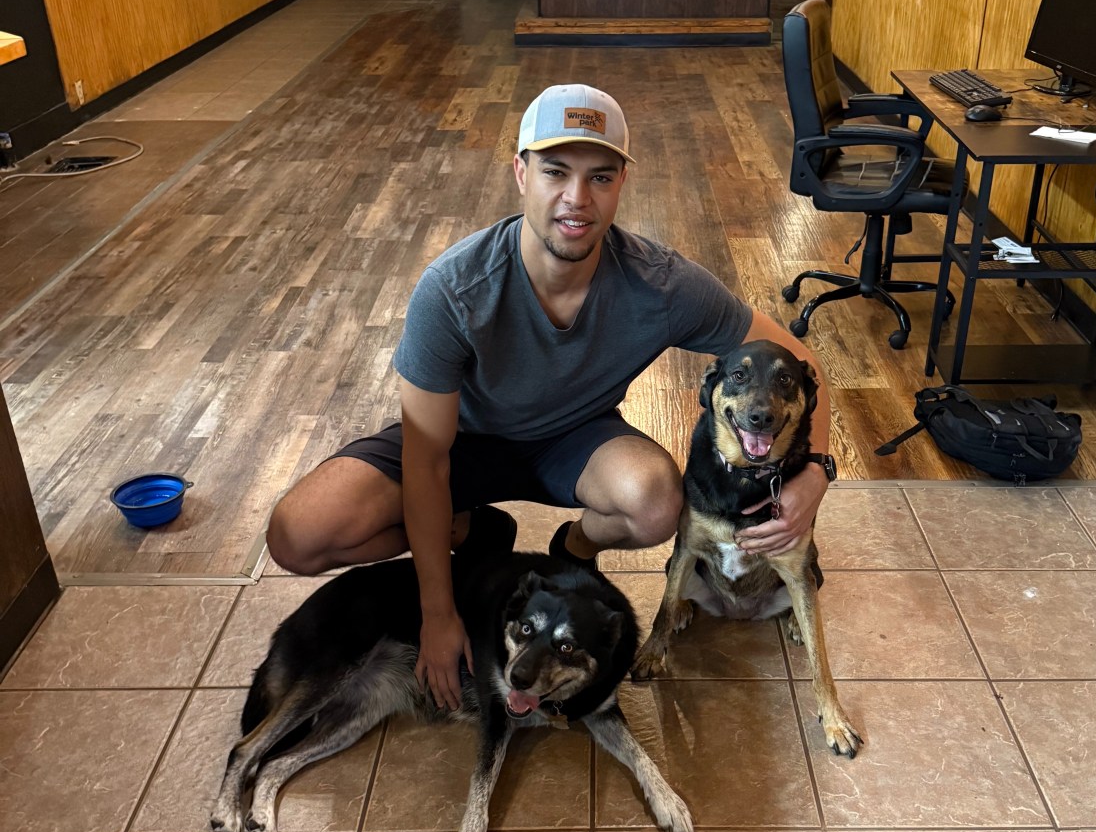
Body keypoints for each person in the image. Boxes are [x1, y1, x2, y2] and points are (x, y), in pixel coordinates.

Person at [266, 83, 834, 711]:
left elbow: (803, 362)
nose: (577, 199)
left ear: (621, 182)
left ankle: (577, 547)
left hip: (572, 440)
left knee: (654, 503)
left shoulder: (661, 283)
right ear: (521, 173)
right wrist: (438, 611)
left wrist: (816, 473)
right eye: (555, 171)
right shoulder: (454, 289)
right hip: (461, 442)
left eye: (600, 176)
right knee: (297, 536)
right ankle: (473, 528)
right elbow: (426, 457)